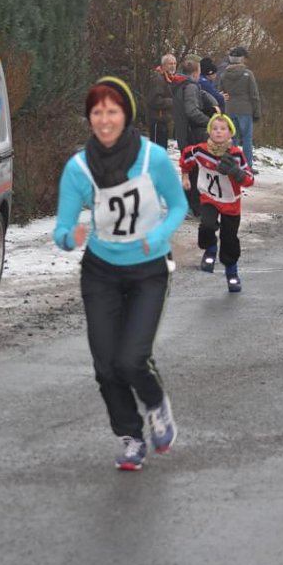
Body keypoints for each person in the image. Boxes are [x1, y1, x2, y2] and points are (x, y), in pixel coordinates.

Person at [53, 76, 188, 471]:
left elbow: (177, 206)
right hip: (100, 272)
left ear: (125, 114)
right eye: (97, 112)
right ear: (89, 118)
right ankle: (130, 436)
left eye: (112, 111)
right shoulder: (79, 168)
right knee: (106, 365)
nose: (104, 119)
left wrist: (160, 233)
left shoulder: (152, 159)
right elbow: (61, 228)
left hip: (149, 270)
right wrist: (68, 237)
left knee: (131, 360)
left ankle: (156, 404)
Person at [179, 113, 254, 293]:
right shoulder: (200, 150)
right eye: (215, 129)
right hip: (209, 197)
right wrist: (185, 176)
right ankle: (210, 248)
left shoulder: (236, 155)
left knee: (230, 240)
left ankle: (231, 272)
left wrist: (236, 172)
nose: (218, 132)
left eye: (223, 129)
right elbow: (186, 158)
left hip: (230, 202)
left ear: (230, 134)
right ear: (209, 132)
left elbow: (250, 180)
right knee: (206, 226)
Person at [171, 55, 219, 216]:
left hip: (184, 133)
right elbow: (191, 111)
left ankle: (188, 206)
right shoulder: (190, 87)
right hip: (192, 134)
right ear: (195, 73)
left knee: (190, 169)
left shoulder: (181, 84)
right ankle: (194, 207)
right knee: (195, 171)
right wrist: (211, 122)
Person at [218, 46, 261, 174]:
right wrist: (256, 112)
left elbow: (221, 92)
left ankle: (234, 164)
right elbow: (254, 94)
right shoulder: (248, 74)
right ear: (242, 59)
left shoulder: (224, 74)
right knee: (247, 138)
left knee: (233, 138)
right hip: (245, 109)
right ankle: (247, 165)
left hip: (230, 109)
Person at [145, 53, 175, 148]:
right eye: (170, 64)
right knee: (157, 149)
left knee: (162, 149)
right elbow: (154, 100)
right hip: (157, 120)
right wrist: (173, 101)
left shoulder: (168, 78)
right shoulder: (158, 79)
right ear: (163, 65)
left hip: (163, 120)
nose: (173, 66)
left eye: (174, 63)